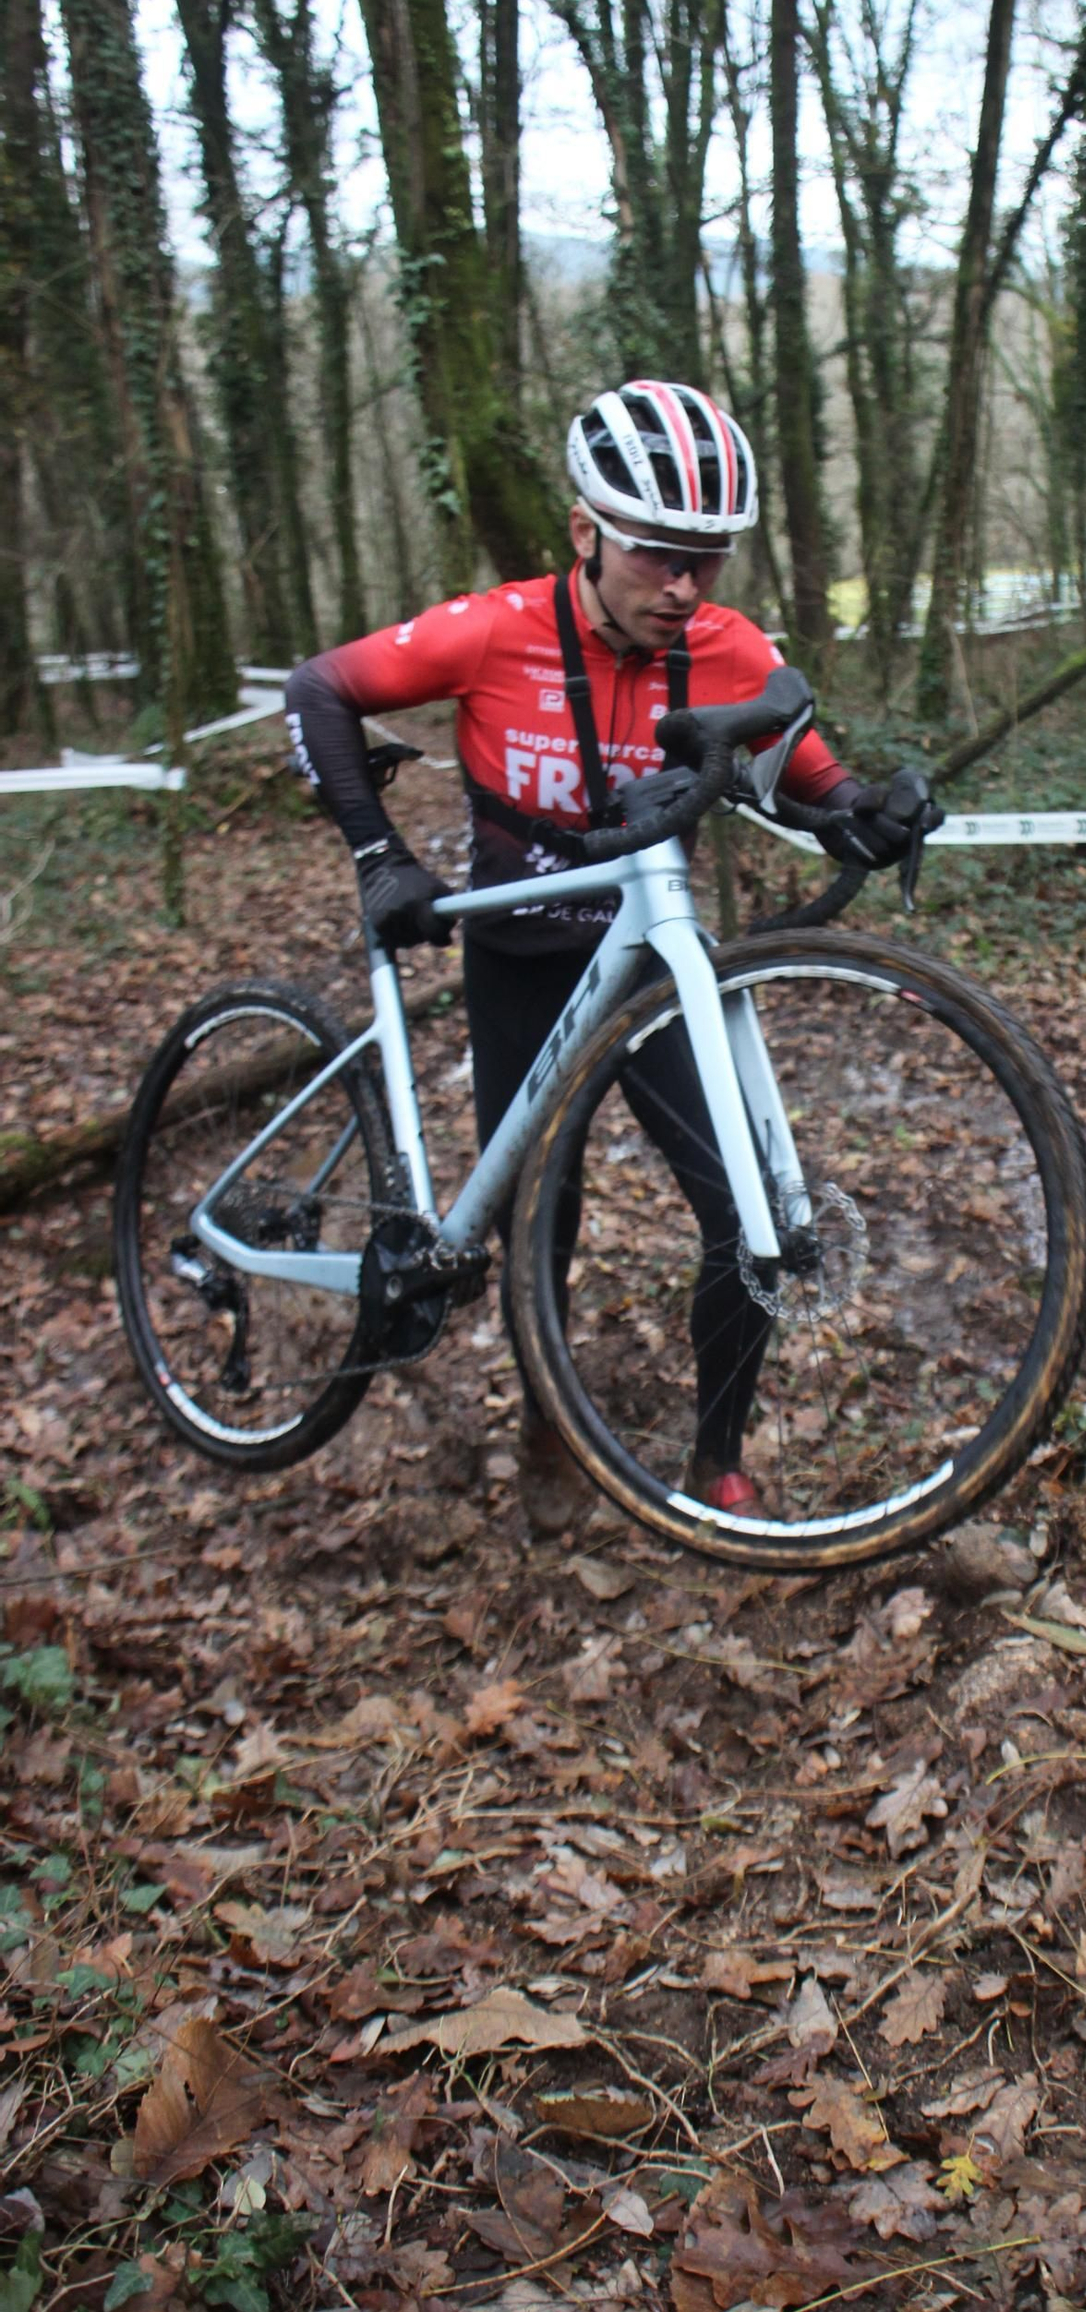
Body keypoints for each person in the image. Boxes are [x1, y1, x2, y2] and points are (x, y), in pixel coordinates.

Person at [284, 380, 925, 1536]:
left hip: (649, 966)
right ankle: (548, 1421)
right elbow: (319, 688)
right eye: (655, 556)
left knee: (744, 1214)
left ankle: (717, 1458)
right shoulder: (497, 629)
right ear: (585, 533)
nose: (682, 586)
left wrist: (869, 813)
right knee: (543, 1217)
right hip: (521, 959)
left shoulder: (726, 648)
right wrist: (379, 855)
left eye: (708, 560)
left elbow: (814, 780)